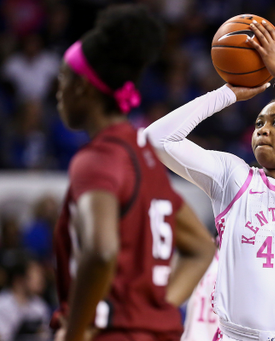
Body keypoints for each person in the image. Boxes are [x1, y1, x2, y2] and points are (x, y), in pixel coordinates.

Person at [145, 20, 275, 341]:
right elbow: (156, 140)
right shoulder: (234, 178)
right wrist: (225, 94)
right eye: (258, 123)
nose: (262, 129)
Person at [51, 5, 216, 341]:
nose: (58, 93)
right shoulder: (144, 157)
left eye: (62, 81)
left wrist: (74, 332)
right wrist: (150, 311)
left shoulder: (98, 159)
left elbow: (101, 251)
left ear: (82, 87)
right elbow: (202, 248)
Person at [0, 251, 50, 341]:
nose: (41, 279)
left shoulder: (39, 305)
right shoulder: (2, 304)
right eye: (36, 274)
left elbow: (46, 336)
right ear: (19, 279)